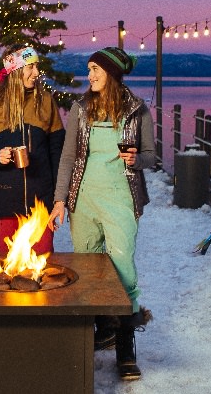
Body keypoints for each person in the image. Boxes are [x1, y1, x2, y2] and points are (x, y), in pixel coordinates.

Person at [49, 46, 155, 381]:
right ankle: (100, 332)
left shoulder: (137, 111)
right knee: (89, 268)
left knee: (123, 268)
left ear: (112, 72)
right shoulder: (81, 109)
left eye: (95, 69)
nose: (90, 75)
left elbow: (152, 156)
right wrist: (60, 201)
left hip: (120, 198)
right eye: (89, 68)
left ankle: (125, 351)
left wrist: (137, 159)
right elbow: (68, 158)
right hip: (83, 199)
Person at [0, 45, 65, 254]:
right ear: (15, 71)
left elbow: (58, 152)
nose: (36, 73)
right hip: (3, 202)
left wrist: (58, 198)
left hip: (40, 203)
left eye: (37, 67)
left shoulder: (45, 101)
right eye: (30, 67)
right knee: (6, 266)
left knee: (42, 266)